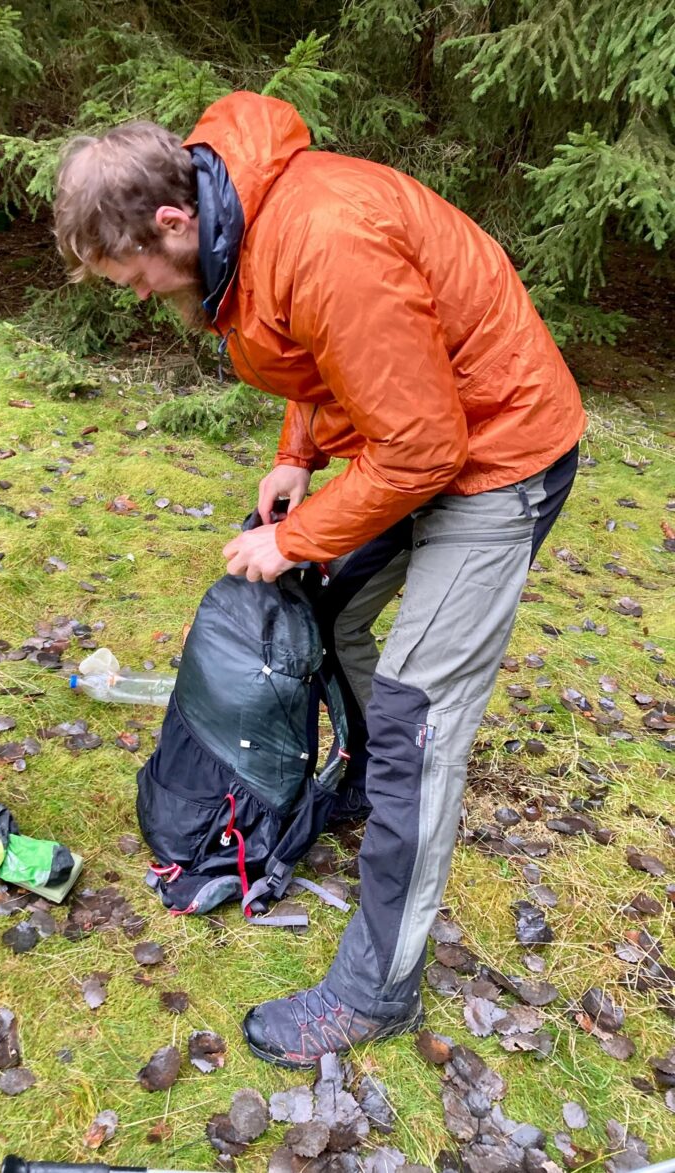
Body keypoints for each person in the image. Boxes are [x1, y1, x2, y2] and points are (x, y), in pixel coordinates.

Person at [53, 91, 586, 1069]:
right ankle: (356, 789)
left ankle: (376, 991)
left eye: (127, 272)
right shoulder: (247, 226)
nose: (130, 291)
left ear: (173, 222)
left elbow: (424, 449)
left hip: (498, 458)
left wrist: (291, 543)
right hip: (427, 438)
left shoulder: (323, 235)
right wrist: (298, 452)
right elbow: (323, 356)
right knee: (330, 616)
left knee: (418, 723)